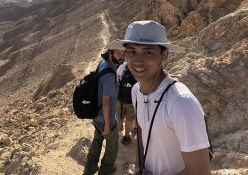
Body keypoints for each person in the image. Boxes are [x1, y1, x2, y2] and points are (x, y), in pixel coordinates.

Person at [113, 20, 211, 175]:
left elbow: (200, 172)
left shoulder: (181, 103)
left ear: (164, 55)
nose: (137, 60)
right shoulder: (137, 91)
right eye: (131, 51)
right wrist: (140, 167)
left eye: (147, 52)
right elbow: (141, 131)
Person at [83, 41, 125, 175]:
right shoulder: (109, 73)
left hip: (96, 114)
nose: (122, 57)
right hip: (105, 117)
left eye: (124, 53)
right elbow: (106, 101)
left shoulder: (103, 63)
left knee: (97, 139)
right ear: (111, 52)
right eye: (118, 53)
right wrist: (108, 123)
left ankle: (90, 167)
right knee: (113, 145)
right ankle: (106, 171)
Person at [117, 62, 137, 145]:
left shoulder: (123, 66)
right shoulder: (141, 68)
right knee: (129, 119)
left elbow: (117, 77)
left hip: (120, 99)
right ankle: (126, 137)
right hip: (131, 101)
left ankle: (119, 130)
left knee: (119, 116)